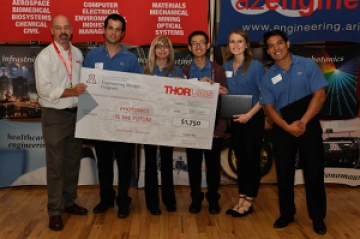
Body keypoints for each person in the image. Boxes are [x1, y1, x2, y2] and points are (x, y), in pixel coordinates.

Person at [260, 30, 328, 234]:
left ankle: (317, 218)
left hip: (308, 123)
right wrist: (287, 126)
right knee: (284, 173)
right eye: (271, 46)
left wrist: (304, 121)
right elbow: (269, 108)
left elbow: (320, 94)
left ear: (287, 44)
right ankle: (286, 214)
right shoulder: (268, 76)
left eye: (279, 43)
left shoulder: (307, 65)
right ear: (268, 51)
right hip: (282, 127)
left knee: (314, 172)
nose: (276, 48)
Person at [34, 14, 88, 231]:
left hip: (76, 114)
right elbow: (44, 90)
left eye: (66, 27)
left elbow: (82, 84)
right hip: (55, 116)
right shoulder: (44, 57)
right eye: (59, 28)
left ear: (71, 29)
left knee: (72, 162)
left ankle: (68, 201)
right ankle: (55, 211)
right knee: (56, 166)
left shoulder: (77, 54)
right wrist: (71, 91)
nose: (63, 31)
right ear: (52, 31)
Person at [83, 13, 140, 218]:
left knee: (125, 164)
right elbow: (86, 89)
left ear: (122, 33)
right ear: (104, 30)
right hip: (100, 122)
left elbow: (137, 91)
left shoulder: (131, 58)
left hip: (124, 121)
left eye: (118, 29)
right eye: (110, 28)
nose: (114, 32)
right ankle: (106, 198)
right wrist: (88, 120)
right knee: (104, 164)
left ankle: (123, 200)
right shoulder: (92, 56)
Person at [182, 30, 227, 214]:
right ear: (189, 47)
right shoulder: (184, 72)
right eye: (195, 43)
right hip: (192, 122)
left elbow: (226, 98)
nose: (199, 46)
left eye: (202, 42)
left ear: (208, 46)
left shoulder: (218, 70)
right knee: (193, 164)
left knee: (213, 165)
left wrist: (221, 127)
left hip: (214, 123)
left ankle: (213, 198)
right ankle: (196, 198)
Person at [222, 29, 265, 217]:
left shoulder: (255, 66)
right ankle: (241, 197)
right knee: (240, 160)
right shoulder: (225, 66)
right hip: (236, 120)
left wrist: (249, 115)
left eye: (240, 41)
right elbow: (231, 93)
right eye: (232, 41)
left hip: (253, 119)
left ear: (246, 44)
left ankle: (249, 200)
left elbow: (265, 96)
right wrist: (220, 90)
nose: (236, 45)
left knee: (252, 160)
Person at [141, 35, 184, 215]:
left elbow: (184, 97)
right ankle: (152, 203)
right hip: (149, 124)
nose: (162, 50)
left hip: (168, 123)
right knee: (150, 163)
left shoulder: (177, 71)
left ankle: (169, 200)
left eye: (166, 47)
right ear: (153, 50)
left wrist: (183, 85)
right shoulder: (145, 71)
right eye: (158, 46)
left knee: (167, 162)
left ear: (170, 50)